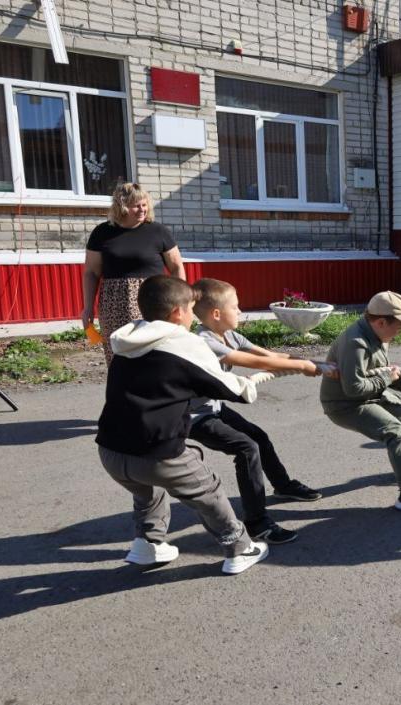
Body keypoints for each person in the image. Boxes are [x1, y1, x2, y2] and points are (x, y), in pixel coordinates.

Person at [95, 275, 268, 575]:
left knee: (147, 489)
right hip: (158, 451)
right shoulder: (182, 342)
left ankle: (148, 544)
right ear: (177, 312)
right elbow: (229, 389)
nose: (192, 315)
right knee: (207, 488)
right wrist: (250, 383)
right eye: (190, 308)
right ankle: (239, 548)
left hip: (110, 451)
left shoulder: (127, 342)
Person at [188, 278, 328, 545]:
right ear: (216, 314)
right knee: (246, 447)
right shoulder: (204, 341)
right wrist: (306, 367)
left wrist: (319, 364)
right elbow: (254, 362)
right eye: (236, 307)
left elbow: (271, 356)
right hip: (193, 416)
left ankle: (283, 486)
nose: (240, 312)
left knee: (259, 437)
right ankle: (257, 523)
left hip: (214, 406)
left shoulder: (230, 335)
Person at [320, 291, 401, 514]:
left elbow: (385, 375)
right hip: (345, 404)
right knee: (395, 431)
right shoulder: (355, 343)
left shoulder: (378, 334)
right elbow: (355, 388)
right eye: (400, 325)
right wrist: (388, 378)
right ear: (380, 322)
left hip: (370, 396)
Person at [82, 183, 187, 365]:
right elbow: (91, 272)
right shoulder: (102, 233)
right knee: (119, 353)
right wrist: (87, 307)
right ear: (121, 207)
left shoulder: (158, 231)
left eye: (144, 204)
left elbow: (177, 267)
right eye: (136, 205)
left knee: (156, 351)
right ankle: (123, 391)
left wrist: (182, 301)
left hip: (154, 300)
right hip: (114, 304)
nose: (142, 209)